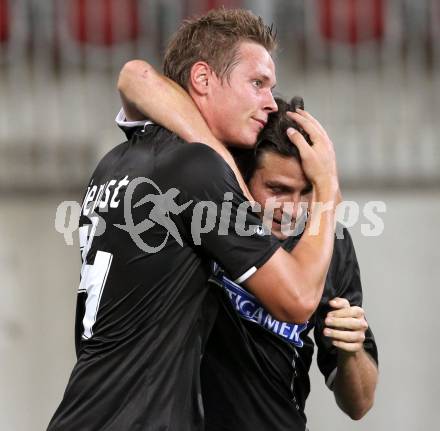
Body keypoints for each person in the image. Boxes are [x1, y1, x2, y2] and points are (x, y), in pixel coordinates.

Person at [48, 9, 340, 431]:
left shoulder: (112, 163)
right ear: (202, 79)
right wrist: (327, 189)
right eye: (257, 83)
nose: (270, 102)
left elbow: (134, 76)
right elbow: (296, 300)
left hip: (83, 410)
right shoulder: (196, 169)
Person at [116, 90, 378, 430]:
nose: (292, 210)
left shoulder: (331, 242)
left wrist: (351, 351)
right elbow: (137, 79)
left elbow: (360, 404)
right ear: (241, 178)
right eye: (277, 189)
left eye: (307, 192)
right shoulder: (202, 221)